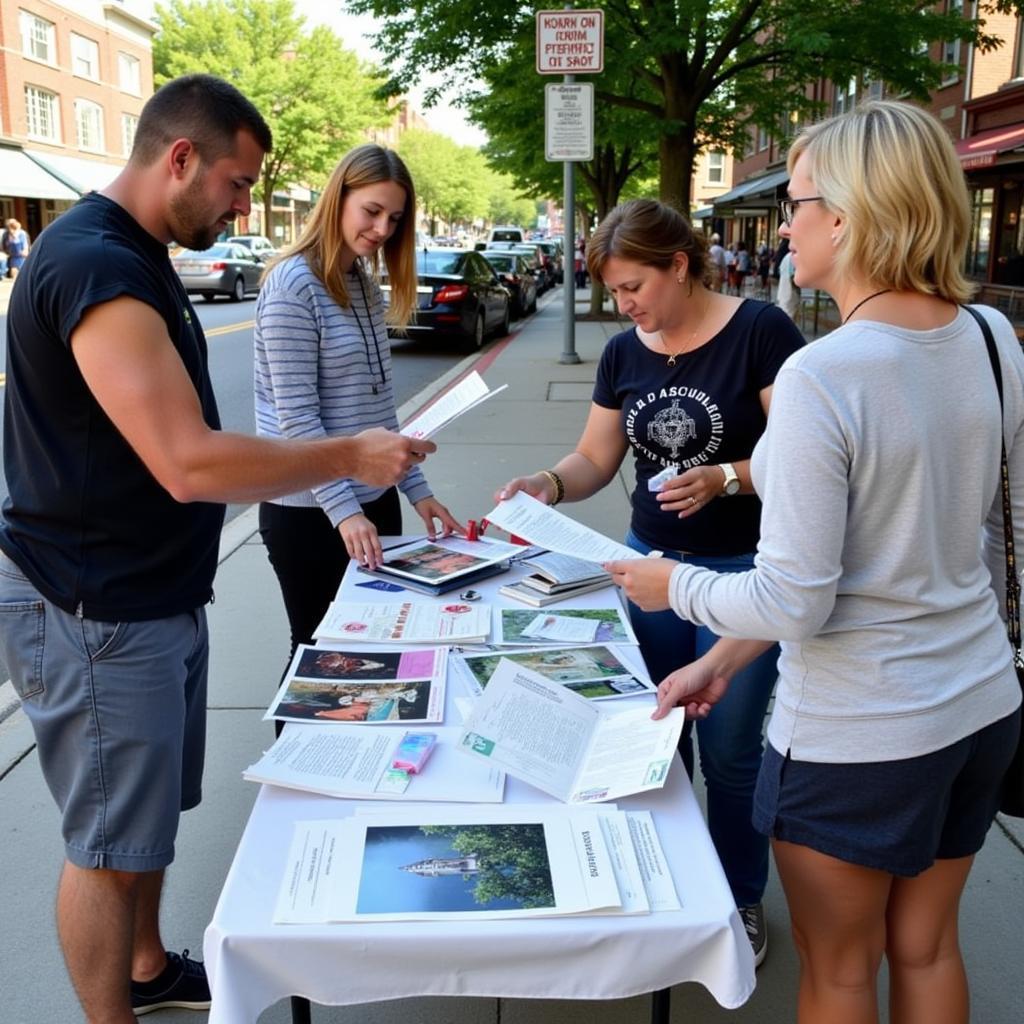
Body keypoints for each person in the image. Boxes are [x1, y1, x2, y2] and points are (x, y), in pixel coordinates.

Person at [0, 74, 434, 1024]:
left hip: (150, 592)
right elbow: (189, 463)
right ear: (181, 157)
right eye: (239, 184)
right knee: (109, 846)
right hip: (91, 603)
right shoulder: (96, 268)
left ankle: (148, 970)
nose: (247, 205)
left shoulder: (137, 254)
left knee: (146, 826)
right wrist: (348, 460)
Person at [605, 100, 1023, 1023]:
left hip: (856, 734)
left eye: (795, 202)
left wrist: (670, 583)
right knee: (928, 949)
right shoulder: (993, 341)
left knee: (840, 971)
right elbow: (986, 542)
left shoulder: (823, 376)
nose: (784, 223)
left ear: (848, 214)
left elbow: (796, 596)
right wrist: (717, 662)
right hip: (981, 706)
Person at [494, 198, 803, 965]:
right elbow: (595, 458)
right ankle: (676, 883)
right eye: (614, 291)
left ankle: (737, 897)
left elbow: (806, 463)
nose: (623, 305)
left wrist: (726, 478)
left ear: (679, 263)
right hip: (647, 567)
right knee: (658, 738)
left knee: (730, 750)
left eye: (635, 286)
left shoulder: (761, 332)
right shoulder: (625, 352)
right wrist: (546, 483)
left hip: (744, 577)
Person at [254, 144, 461, 699]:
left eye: (394, 219)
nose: (381, 228)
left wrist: (418, 490)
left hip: (374, 503)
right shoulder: (292, 286)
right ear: (338, 196)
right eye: (371, 210)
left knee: (368, 651)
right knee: (318, 653)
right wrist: (344, 512)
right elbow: (298, 419)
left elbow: (378, 412)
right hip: (308, 512)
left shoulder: (364, 285)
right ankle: (296, 780)